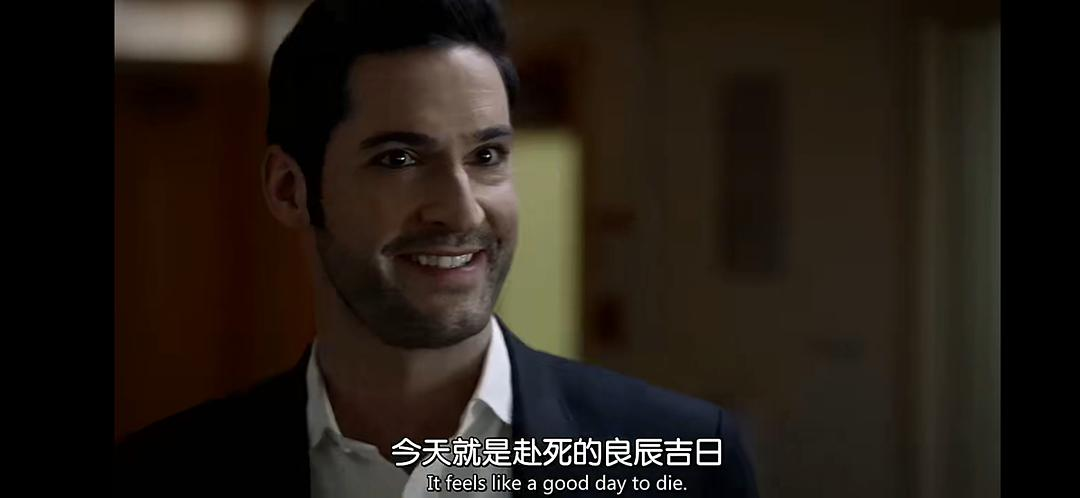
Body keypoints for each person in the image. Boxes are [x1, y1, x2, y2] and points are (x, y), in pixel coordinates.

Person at [114, 1, 759, 496]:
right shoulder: (161, 475)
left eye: (488, 156)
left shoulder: (683, 460)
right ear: (290, 189)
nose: (462, 209)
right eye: (399, 159)